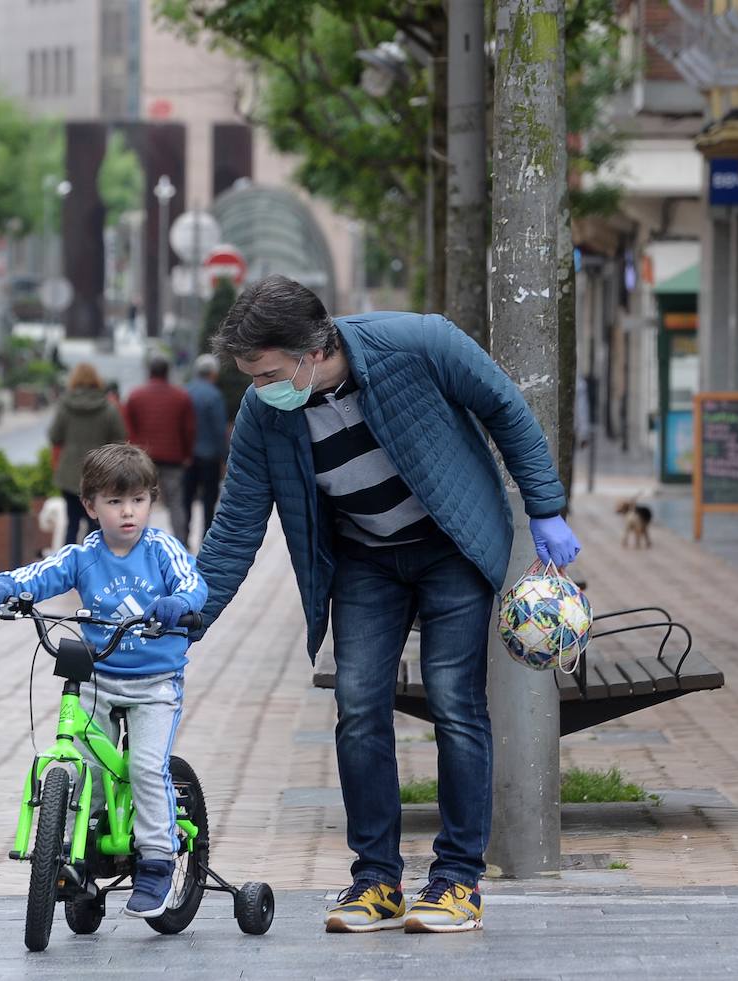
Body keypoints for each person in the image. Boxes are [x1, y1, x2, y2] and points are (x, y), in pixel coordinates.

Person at [194, 275, 581, 935]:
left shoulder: (418, 342)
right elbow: (235, 525)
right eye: (249, 377)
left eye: (265, 373)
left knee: (454, 699)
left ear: (310, 352)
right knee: (358, 705)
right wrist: (188, 618)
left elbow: (504, 407)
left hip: (451, 543)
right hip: (365, 558)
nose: (258, 389)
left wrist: (544, 507)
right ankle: (375, 881)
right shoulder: (265, 413)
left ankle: (457, 880)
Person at [0, 443, 208, 918]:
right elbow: (38, 576)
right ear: (91, 506)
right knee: (85, 767)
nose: (128, 512)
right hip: (99, 676)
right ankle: (83, 852)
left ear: (151, 502)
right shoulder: (83, 556)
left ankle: (158, 858)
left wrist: (178, 604)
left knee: (143, 766)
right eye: (115, 502)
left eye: (138, 500)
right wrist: (4, 586)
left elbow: (191, 582)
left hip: (154, 682)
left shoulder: (161, 549)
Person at [49, 362, 127, 546]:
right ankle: (92, 565)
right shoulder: (108, 408)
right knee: (96, 521)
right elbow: (120, 439)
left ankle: (67, 566)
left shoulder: (65, 406)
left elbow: (55, 436)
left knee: (72, 523)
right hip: (99, 473)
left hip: (69, 473)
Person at [124, 357, 196, 547]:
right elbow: (188, 429)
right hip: (173, 457)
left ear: (150, 372)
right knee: (175, 502)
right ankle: (181, 542)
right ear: (167, 372)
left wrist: (132, 452)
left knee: (140, 501)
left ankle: (137, 543)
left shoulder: (135, 396)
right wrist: (187, 454)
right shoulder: (181, 396)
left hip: (143, 459)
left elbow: (128, 428)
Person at [182, 354, 228, 550]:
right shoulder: (214, 395)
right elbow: (219, 430)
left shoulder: (185, 392)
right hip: (209, 456)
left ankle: (183, 537)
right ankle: (206, 539)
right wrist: (225, 457)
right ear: (213, 373)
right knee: (209, 501)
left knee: (186, 499)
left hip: (186, 457)